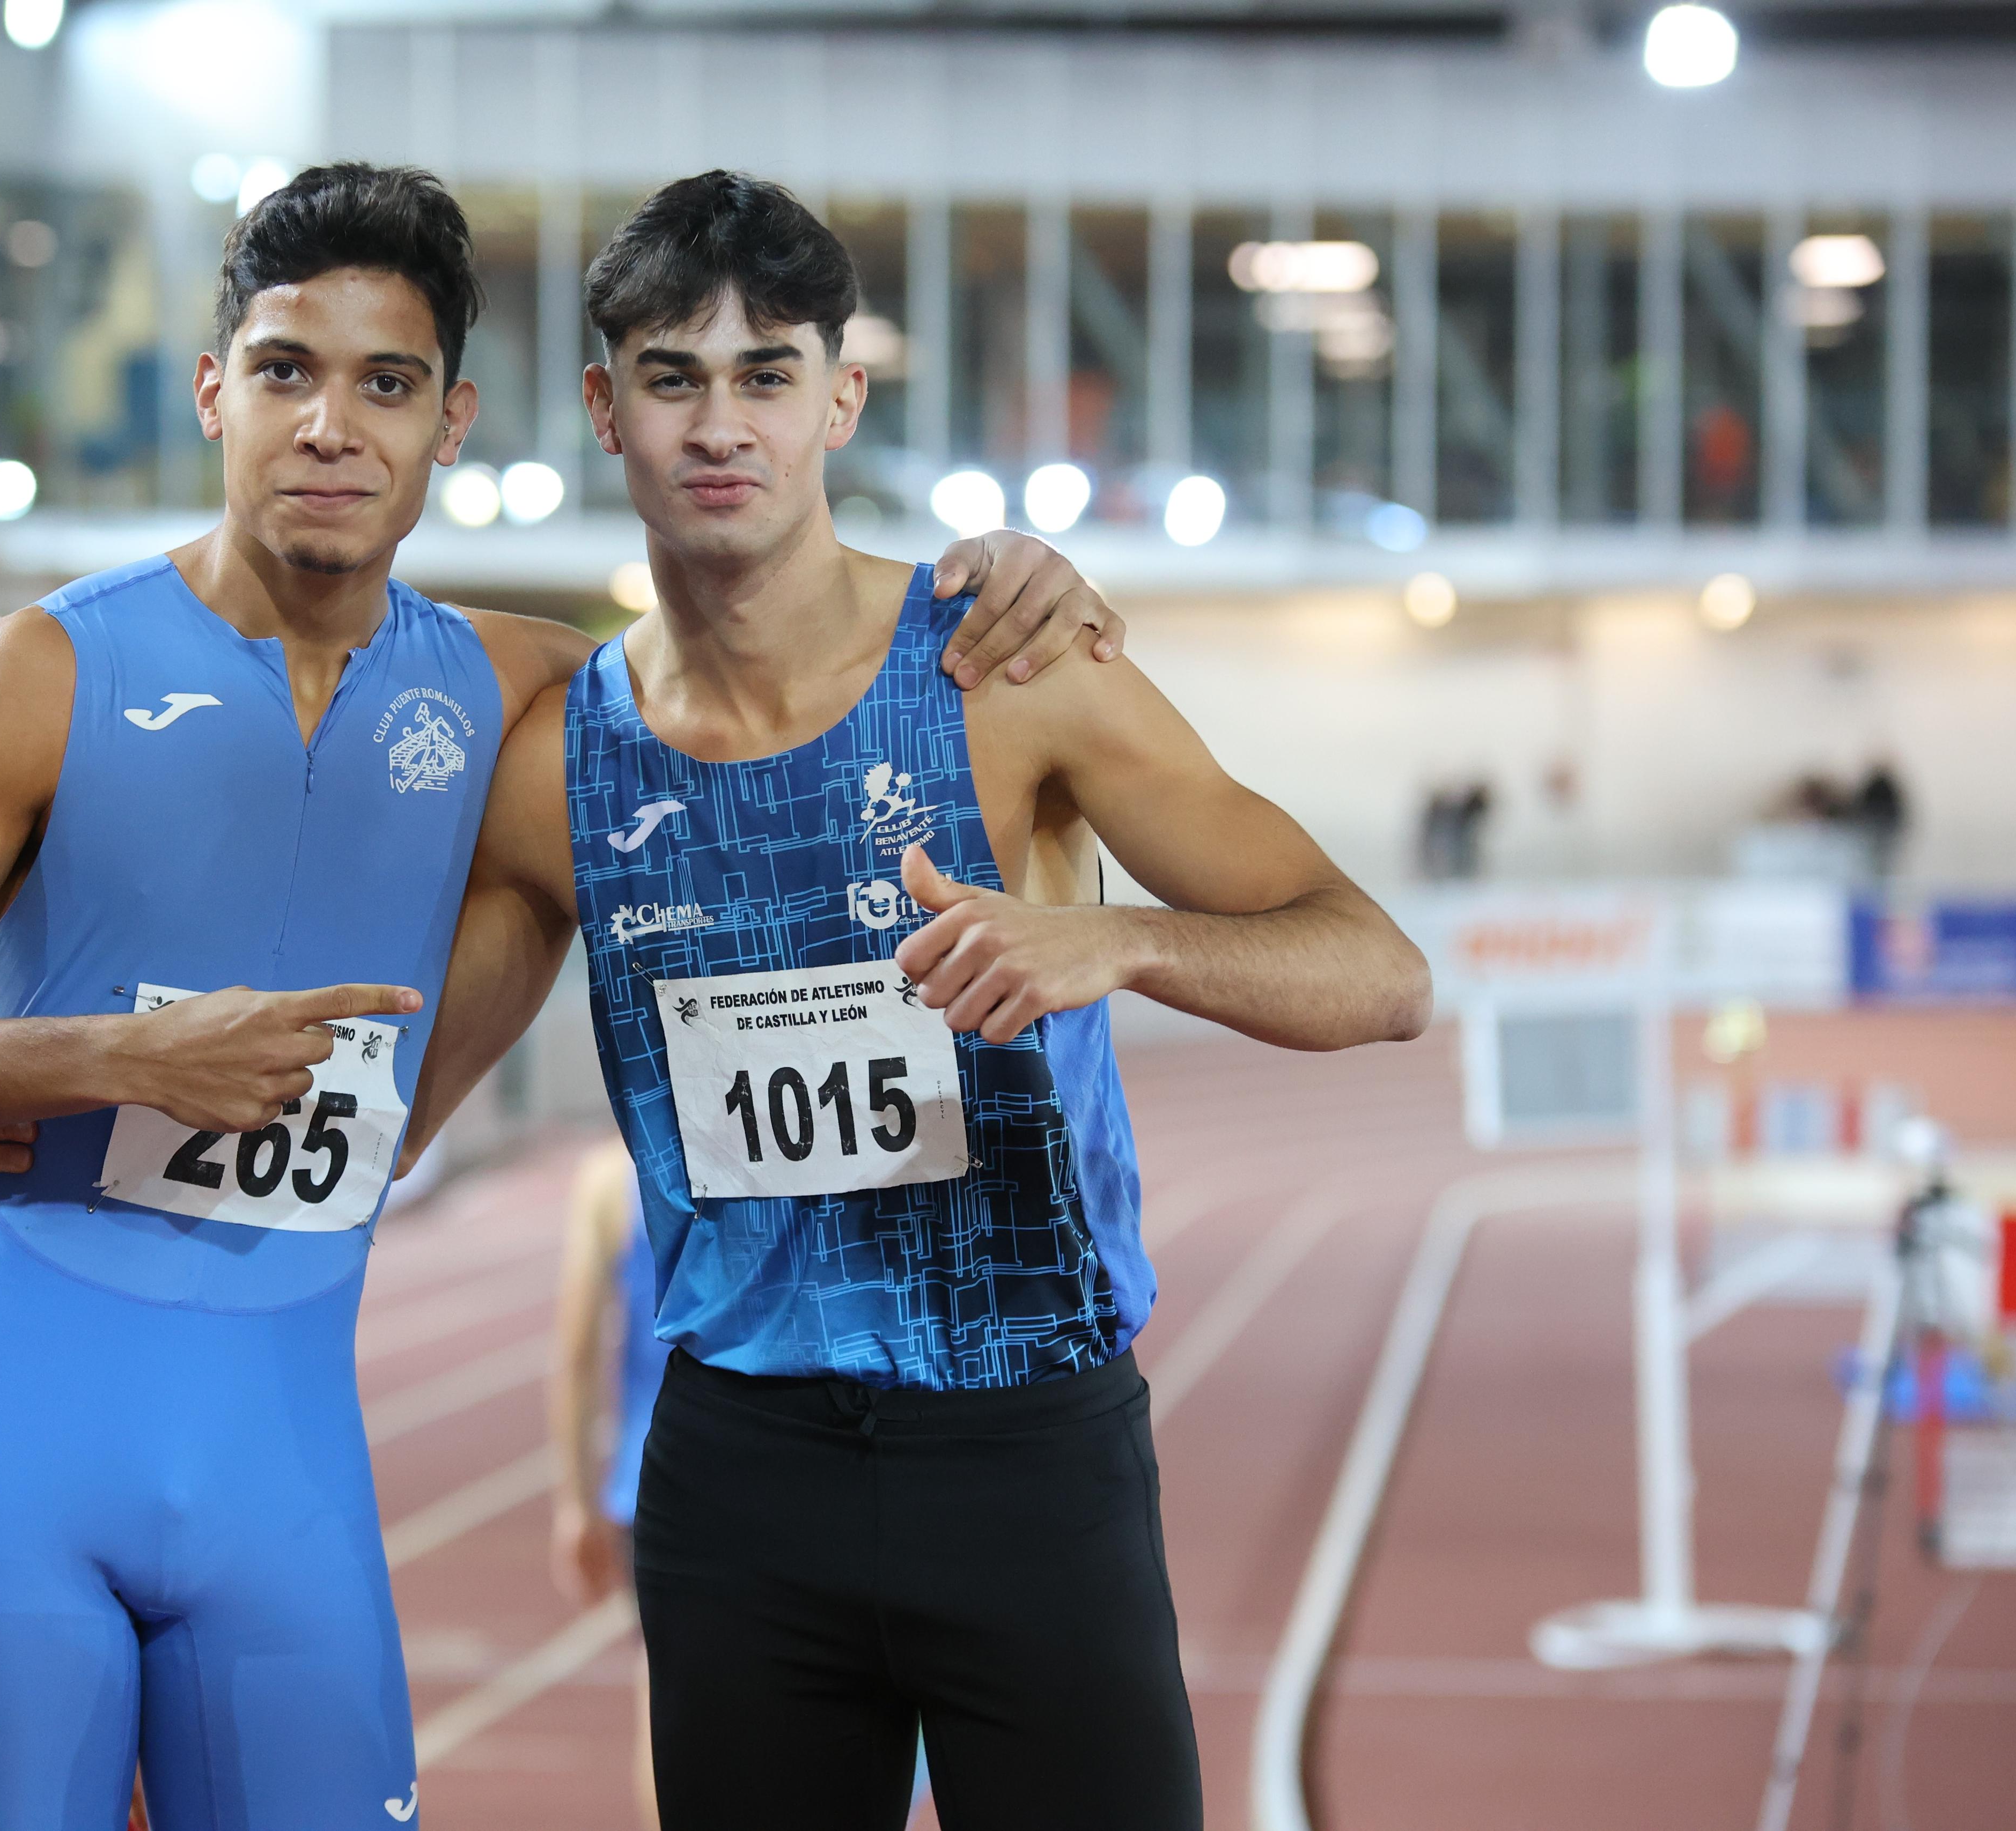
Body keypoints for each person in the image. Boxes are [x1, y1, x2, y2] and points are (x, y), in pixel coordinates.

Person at [0, 163, 1118, 1831]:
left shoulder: (515, 685)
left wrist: (998, 566)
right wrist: (106, 1060)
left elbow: (749, 649)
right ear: (213, 392)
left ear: (447, 421)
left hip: (285, 1467)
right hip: (7, 1447)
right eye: (282, 371)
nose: (329, 425)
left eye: (382, 383)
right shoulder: (42, 671)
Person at [392, 172, 1436, 1830]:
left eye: (765, 374)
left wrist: (1120, 949)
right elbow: (377, 1120)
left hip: (1021, 1454)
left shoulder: (1005, 672)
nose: (717, 424)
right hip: (736, 1477)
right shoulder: (555, 768)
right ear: (604, 407)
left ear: (839, 395)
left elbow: (1378, 973)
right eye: (670, 377)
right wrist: (59, 1091)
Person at [546, 1141, 669, 1831]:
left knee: (663, 1708)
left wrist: (574, 1504)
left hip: (648, 1483)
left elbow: (574, 1353)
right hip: (774, 1463)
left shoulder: (606, 1178)